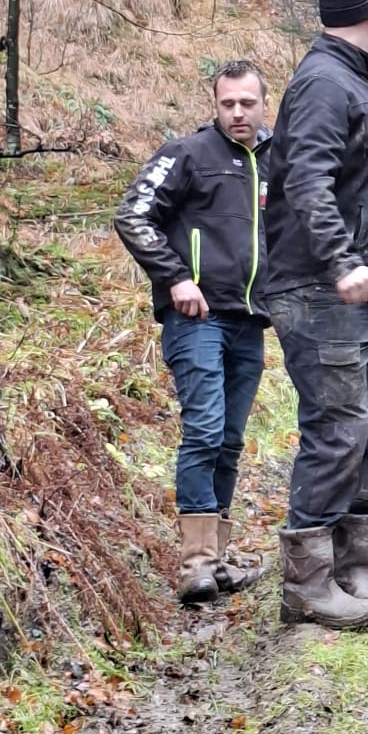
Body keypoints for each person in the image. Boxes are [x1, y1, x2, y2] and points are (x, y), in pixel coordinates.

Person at [265, 0, 368, 630]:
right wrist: (343, 262)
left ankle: (352, 568)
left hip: (358, 297)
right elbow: (306, 181)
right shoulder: (325, 83)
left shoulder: (344, 79)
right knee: (337, 434)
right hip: (324, 293)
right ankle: (307, 584)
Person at [114, 62, 272, 605]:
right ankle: (195, 566)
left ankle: (218, 561)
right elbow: (133, 215)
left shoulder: (277, 162)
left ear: (262, 103)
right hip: (198, 318)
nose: (237, 113)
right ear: (215, 104)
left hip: (251, 322)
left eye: (247, 103)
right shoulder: (187, 154)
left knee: (228, 440)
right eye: (227, 103)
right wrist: (176, 277)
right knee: (204, 430)